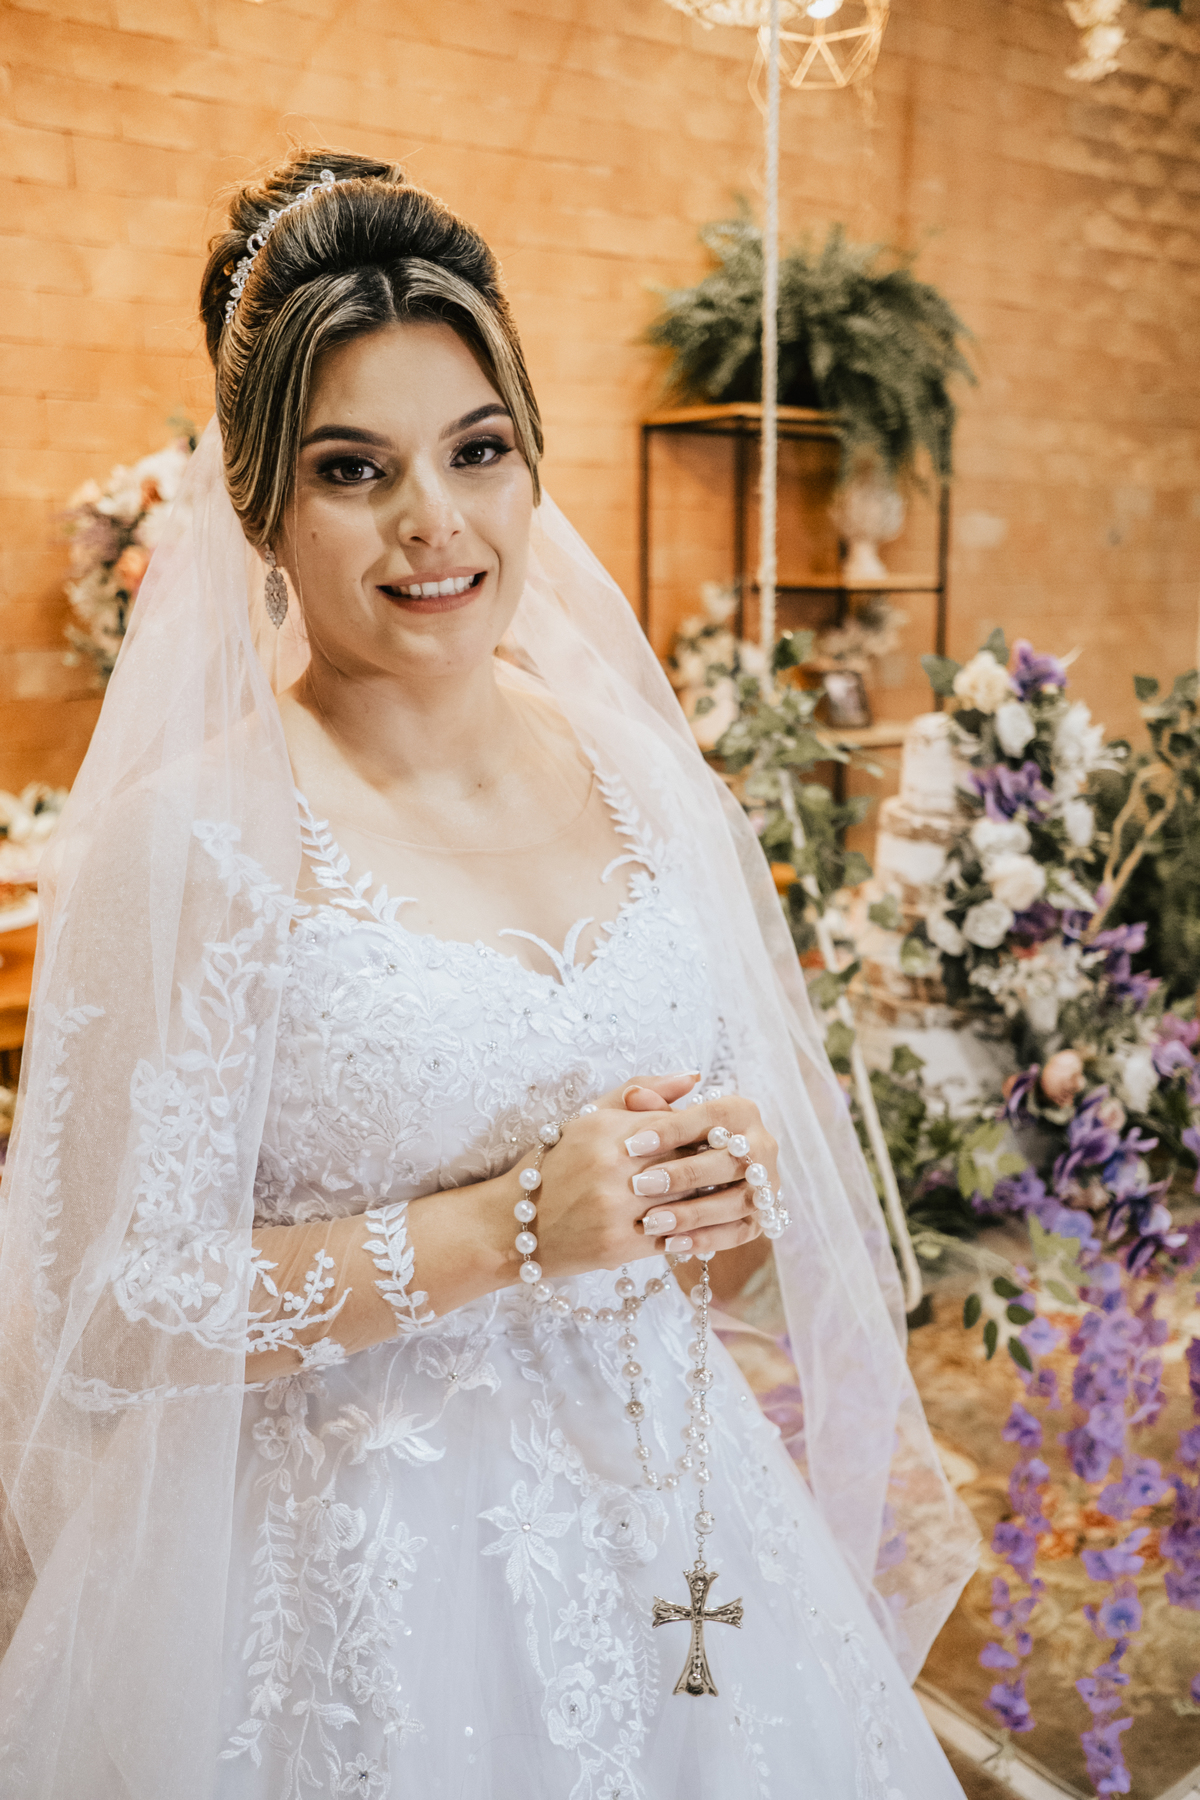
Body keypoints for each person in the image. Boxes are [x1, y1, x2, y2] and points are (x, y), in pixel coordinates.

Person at [0, 150, 976, 1799]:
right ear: (261, 507)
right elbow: (106, 1317)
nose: (432, 521)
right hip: (350, 1604)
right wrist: (510, 1227)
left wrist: (714, 1192)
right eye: (353, 469)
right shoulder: (191, 844)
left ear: (533, 463)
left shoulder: (643, 776)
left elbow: (730, 1243)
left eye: (478, 449)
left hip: (681, 1548)